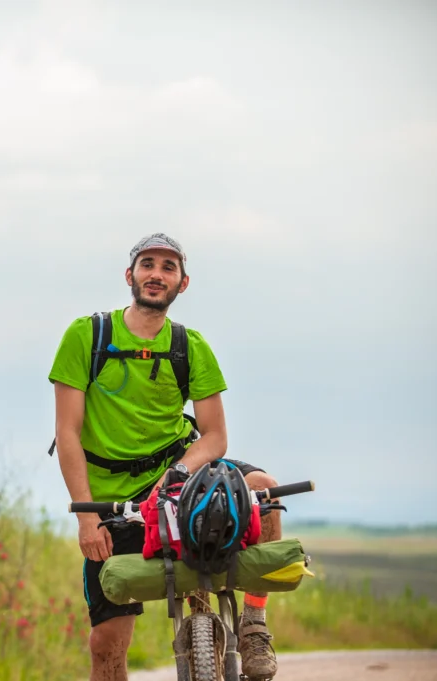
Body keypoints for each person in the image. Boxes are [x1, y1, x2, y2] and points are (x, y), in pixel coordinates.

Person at [49, 233, 280, 681]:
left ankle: (253, 625)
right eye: (148, 264)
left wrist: (175, 474)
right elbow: (68, 433)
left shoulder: (190, 346)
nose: (157, 274)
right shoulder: (86, 336)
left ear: (183, 283)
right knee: (106, 646)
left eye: (168, 267)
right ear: (130, 275)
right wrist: (86, 518)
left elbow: (215, 437)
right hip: (114, 501)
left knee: (264, 491)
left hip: (179, 478)